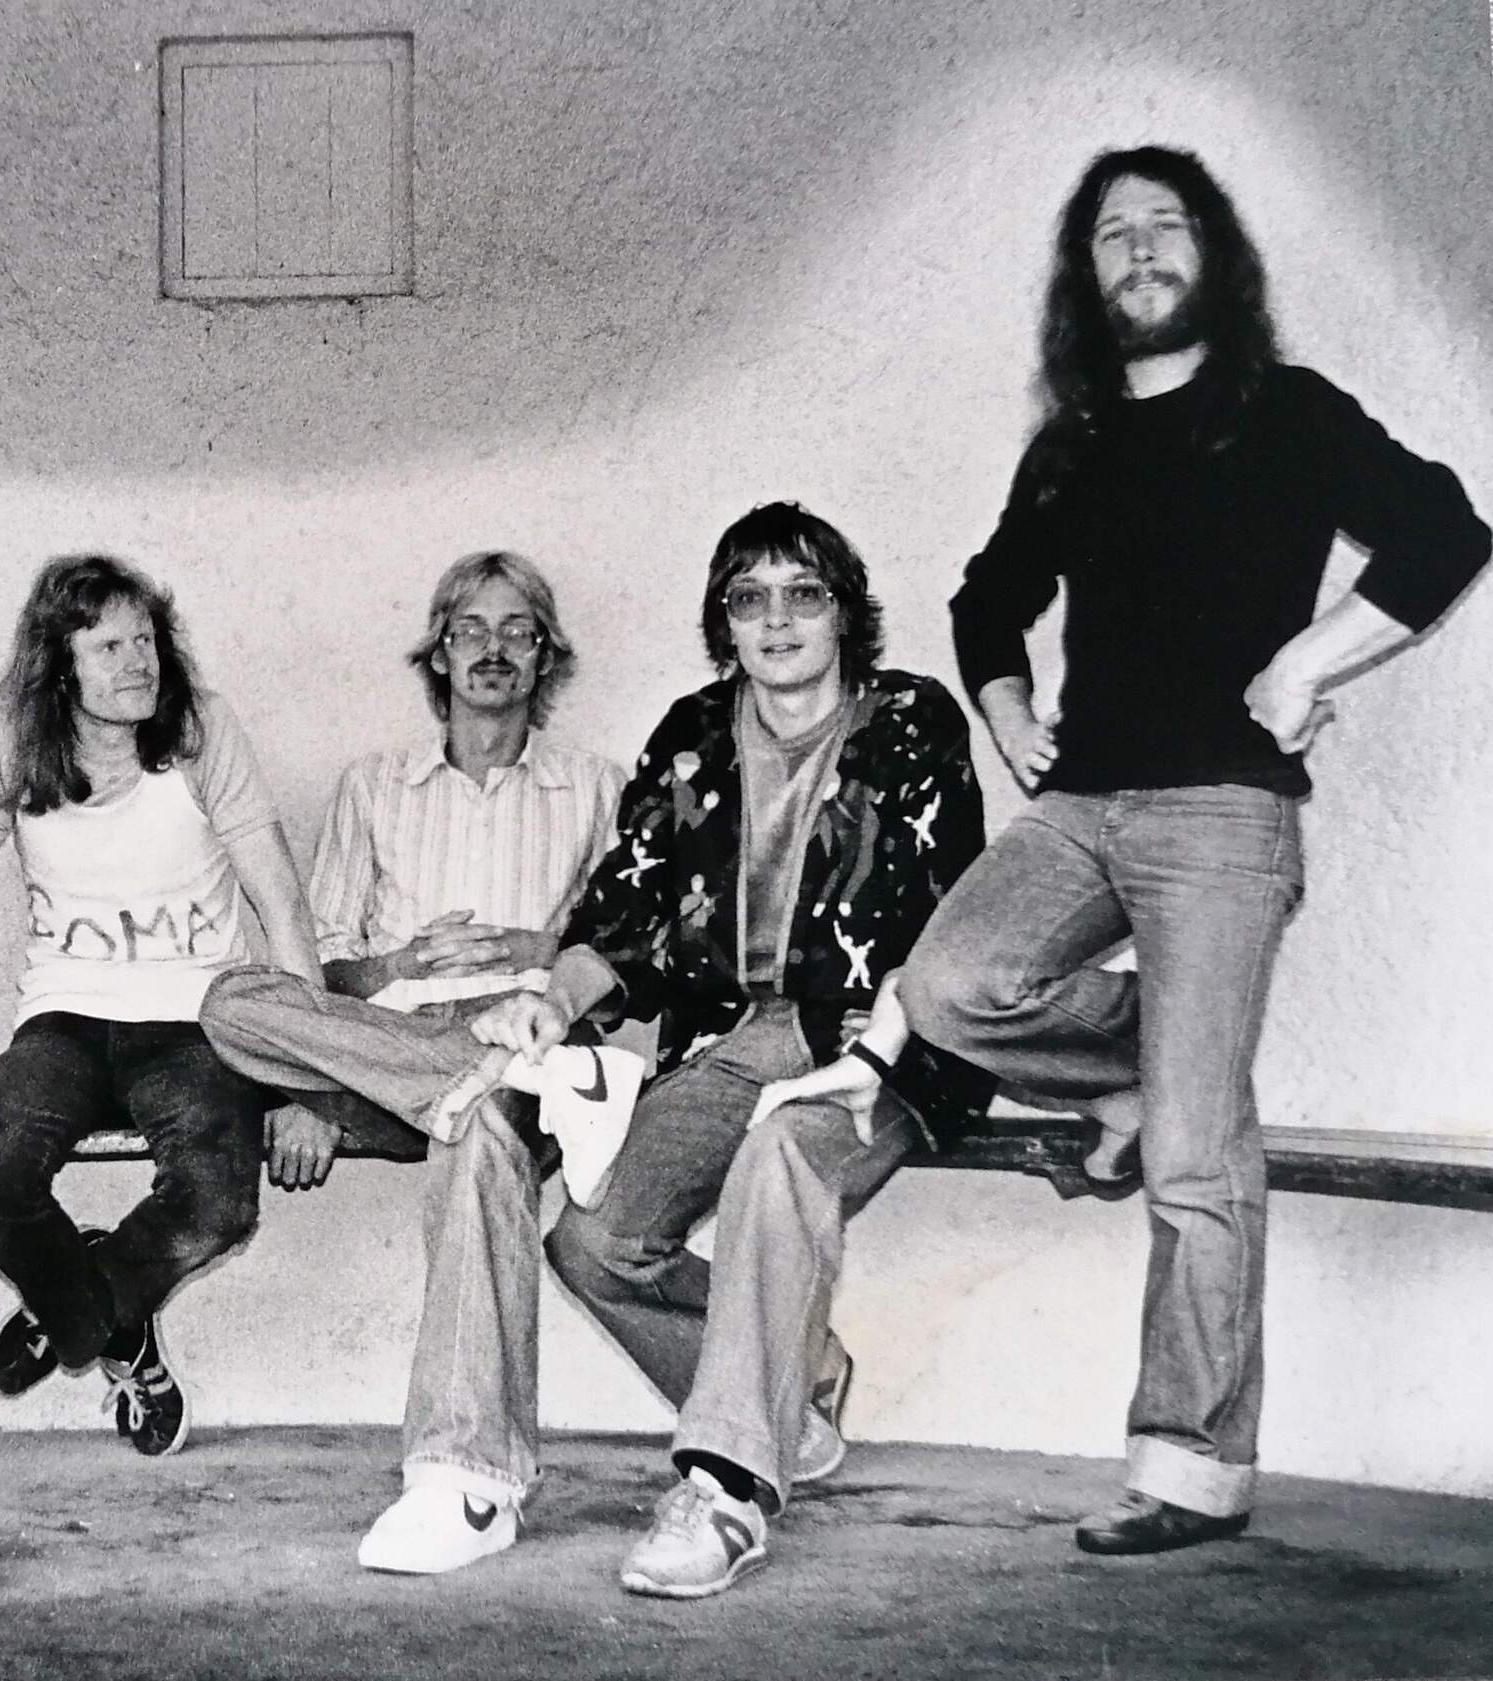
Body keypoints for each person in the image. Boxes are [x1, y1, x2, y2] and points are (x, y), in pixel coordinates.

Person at [891, 146, 1490, 1555]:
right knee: (951, 984)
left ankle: (1192, 1469)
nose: (1142, 250)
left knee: (1197, 1160)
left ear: (1212, 254)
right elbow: (987, 598)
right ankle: (1154, 1070)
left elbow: (1447, 531)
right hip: (1086, 803)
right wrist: (1008, 709)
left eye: (1167, 226)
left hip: (1223, 809)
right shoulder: (1078, 439)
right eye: (1114, 233)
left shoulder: (1285, 411)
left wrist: (1309, 663)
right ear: (1086, 275)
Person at [490, 503, 986, 1598]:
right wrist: (552, 998)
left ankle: (726, 1486)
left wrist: (889, 1044)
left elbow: (950, 921)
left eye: (804, 593)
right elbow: (622, 919)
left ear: (845, 613)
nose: (777, 620)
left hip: (879, 1039)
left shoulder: (912, 720)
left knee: (780, 1159)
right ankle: (795, 1385)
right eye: (749, 598)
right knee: (595, 1243)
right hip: (736, 1039)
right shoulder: (694, 733)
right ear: (725, 621)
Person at [197, 550, 625, 1572]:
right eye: (469, 629)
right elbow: (325, 974)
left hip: (529, 1036)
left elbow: (627, 967)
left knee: (480, 1134)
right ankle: (483, 1076)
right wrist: (398, 970)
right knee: (230, 1001)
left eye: (517, 630)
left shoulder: (597, 786)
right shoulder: (374, 786)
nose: (492, 649)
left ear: (546, 655)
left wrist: (535, 950)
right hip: (389, 1050)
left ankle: (466, 1482)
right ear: (438, 652)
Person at [0, 554, 321, 1457]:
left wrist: (311, 1091)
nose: (139, 662)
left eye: (147, 640)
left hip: (198, 1019)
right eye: (110, 646)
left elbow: (282, 904)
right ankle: (112, 1326)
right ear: (60, 665)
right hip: (66, 1017)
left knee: (219, 1201)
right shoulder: (13, 744)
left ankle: (75, 1304)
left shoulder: (199, 731)